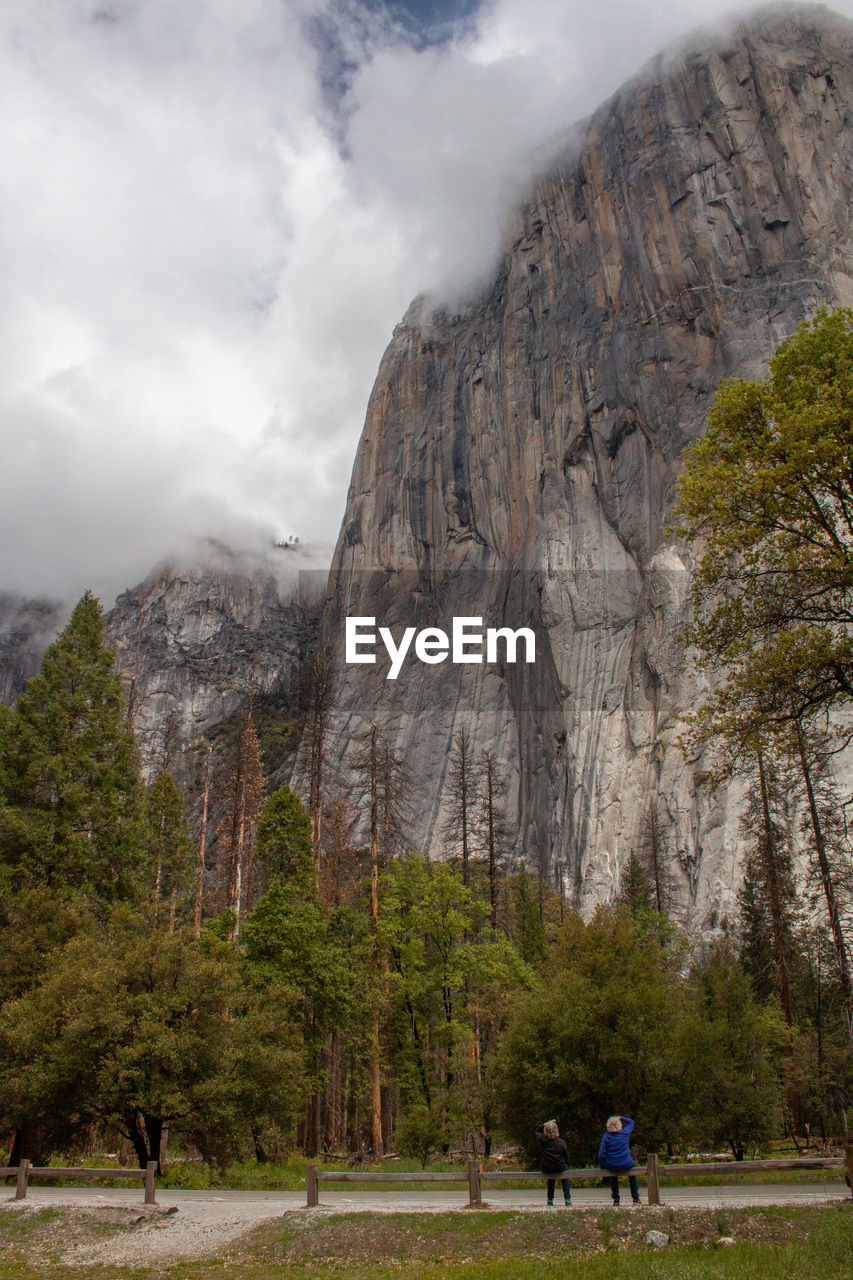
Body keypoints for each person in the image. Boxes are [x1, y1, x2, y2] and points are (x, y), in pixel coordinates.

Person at [598, 1114, 641, 1205]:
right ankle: (635, 1198)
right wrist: (621, 1118)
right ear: (620, 1125)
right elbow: (631, 1122)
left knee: (613, 1177)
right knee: (632, 1176)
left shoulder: (606, 1136)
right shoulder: (624, 1133)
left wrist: (602, 1165)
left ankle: (616, 1198)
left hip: (612, 1163)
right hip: (626, 1162)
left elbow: (602, 1154)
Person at [535, 1119, 572, 1206]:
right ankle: (567, 1199)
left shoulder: (543, 1142)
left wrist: (544, 1125)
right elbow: (566, 1156)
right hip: (560, 1166)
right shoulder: (561, 1142)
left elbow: (537, 1131)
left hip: (547, 1167)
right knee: (565, 1177)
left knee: (551, 1179)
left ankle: (550, 1199)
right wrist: (567, 1164)